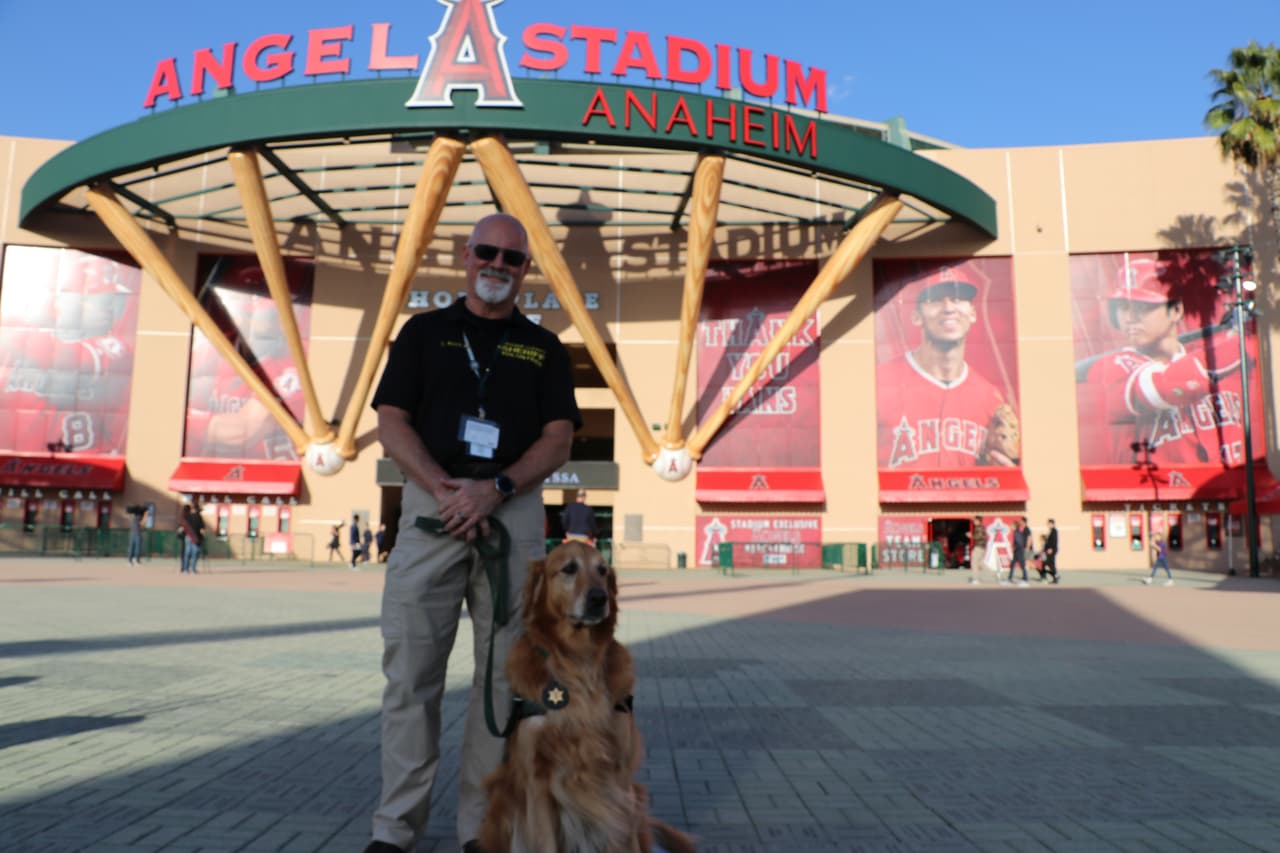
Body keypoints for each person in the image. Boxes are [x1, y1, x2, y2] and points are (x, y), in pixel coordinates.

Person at [364, 213, 580, 853]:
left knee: (503, 680)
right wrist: (442, 486)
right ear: (466, 256)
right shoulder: (424, 333)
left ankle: (483, 831)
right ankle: (396, 830)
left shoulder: (543, 348)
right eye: (487, 252)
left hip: (509, 514)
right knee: (410, 678)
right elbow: (392, 420)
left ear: (525, 269)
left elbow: (559, 436)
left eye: (512, 258)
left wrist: (498, 489)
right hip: (433, 508)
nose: (498, 265)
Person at [1081, 257, 1257, 465]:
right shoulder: (1110, 369)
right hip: (1157, 493)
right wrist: (1243, 344)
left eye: (1143, 307)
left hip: (1231, 489)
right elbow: (1171, 386)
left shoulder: (1224, 363)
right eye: (1123, 307)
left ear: (1176, 310)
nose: (1130, 317)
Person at [877, 273, 1020, 469]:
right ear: (916, 317)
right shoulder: (880, 384)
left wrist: (1006, 475)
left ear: (972, 314)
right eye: (935, 300)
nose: (948, 308)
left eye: (958, 299)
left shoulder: (991, 398)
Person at [178, 503, 205, 574]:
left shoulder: (188, 516)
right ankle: (193, 569)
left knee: (187, 553)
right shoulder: (199, 517)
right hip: (196, 537)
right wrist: (202, 537)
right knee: (195, 553)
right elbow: (202, 529)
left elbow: (183, 526)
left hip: (188, 537)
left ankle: (185, 569)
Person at [1005, 516, 1030, 586]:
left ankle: (1025, 580)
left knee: (1022, 565)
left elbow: (1020, 543)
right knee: (1012, 565)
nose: (1010, 527)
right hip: (1017, 552)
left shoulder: (1017, 533)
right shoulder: (1016, 532)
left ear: (1015, 526)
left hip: (1019, 551)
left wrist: (1014, 547)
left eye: (1012, 526)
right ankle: (1009, 579)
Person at [968, 515, 987, 585]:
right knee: (980, 563)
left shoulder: (979, 528)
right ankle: (992, 574)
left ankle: (975, 579)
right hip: (981, 547)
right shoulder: (981, 527)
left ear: (978, 521)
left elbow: (979, 537)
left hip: (979, 547)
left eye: (975, 520)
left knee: (974, 563)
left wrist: (971, 536)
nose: (974, 522)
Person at [1043, 518, 1060, 584]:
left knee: (1050, 564)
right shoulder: (1051, 531)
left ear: (1052, 524)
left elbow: (1054, 541)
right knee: (1049, 564)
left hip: (1051, 550)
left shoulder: (1054, 531)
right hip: (1049, 550)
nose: (1048, 525)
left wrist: (1051, 549)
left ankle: (1055, 577)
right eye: (1048, 524)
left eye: (1049, 524)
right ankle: (1055, 576)